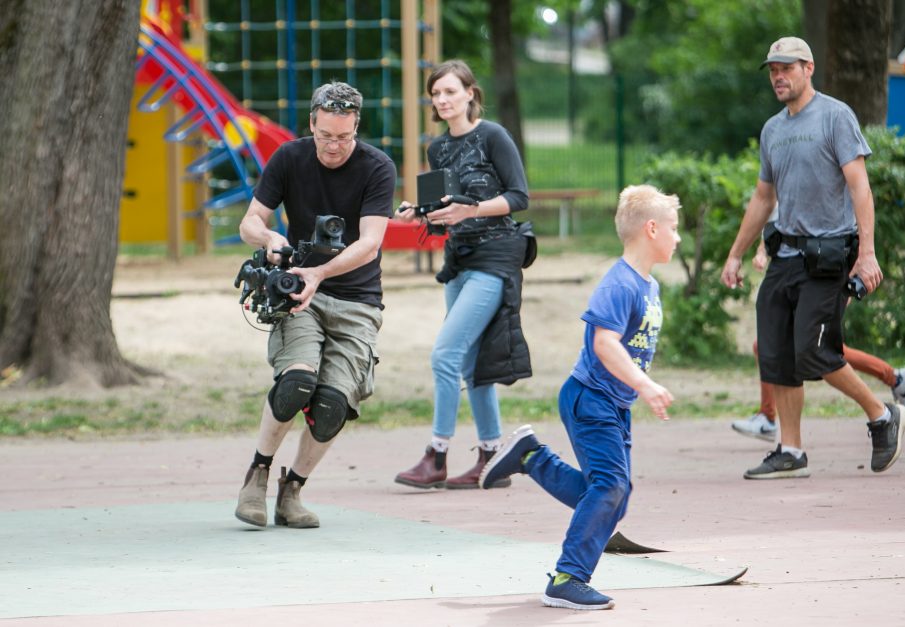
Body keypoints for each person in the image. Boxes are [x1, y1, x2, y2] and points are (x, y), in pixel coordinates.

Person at [478, 185, 680, 611]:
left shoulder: (650, 286)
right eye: (673, 228)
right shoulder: (620, 283)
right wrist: (645, 385)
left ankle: (531, 457)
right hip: (590, 399)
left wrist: (637, 386)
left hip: (612, 403)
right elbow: (605, 344)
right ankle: (568, 577)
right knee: (609, 488)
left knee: (613, 498)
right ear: (651, 229)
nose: (678, 237)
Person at [719, 36, 905, 479]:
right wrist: (735, 254)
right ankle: (791, 450)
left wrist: (867, 254)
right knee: (777, 353)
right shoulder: (773, 130)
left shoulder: (835, 116)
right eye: (772, 70)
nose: (778, 77)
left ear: (808, 68)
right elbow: (764, 197)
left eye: (786, 68)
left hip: (828, 258)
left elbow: (860, 187)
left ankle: (882, 415)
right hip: (784, 255)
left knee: (815, 352)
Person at [234, 81, 396, 528]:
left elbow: (371, 243)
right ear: (312, 124)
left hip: (358, 299)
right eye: (325, 135)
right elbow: (249, 220)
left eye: (344, 137)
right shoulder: (289, 157)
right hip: (299, 295)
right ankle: (257, 475)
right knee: (296, 384)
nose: (334, 146)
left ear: (356, 128)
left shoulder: (377, 167)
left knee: (332, 407)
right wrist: (269, 237)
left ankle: (293, 490)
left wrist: (320, 273)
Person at [393, 59, 532, 490]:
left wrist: (472, 208)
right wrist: (418, 213)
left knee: (445, 354)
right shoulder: (438, 148)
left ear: (470, 93)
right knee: (472, 364)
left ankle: (437, 454)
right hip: (458, 260)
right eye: (436, 94)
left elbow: (519, 196)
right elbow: (443, 214)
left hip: (495, 259)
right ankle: (492, 458)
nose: (442, 100)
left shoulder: (493, 136)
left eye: (450, 91)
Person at [733, 239, 905, 442]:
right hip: (797, 276)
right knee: (793, 346)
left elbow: (850, 219)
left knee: (819, 349)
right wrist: (761, 252)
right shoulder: (780, 211)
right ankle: (769, 417)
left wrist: (860, 261)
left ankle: (890, 389)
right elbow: (772, 223)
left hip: (824, 271)